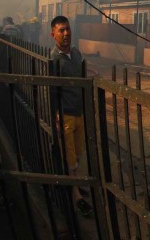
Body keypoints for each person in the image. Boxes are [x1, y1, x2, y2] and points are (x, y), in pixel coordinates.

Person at [50, 16, 92, 217]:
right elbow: (53, 91)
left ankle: (75, 183)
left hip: (79, 112)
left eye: (67, 29)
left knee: (77, 151)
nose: (66, 34)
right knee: (69, 157)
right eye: (61, 31)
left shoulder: (76, 53)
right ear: (53, 34)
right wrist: (56, 115)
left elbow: (82, 78)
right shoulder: (54, 60)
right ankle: (76, 195)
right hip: (65, 114)